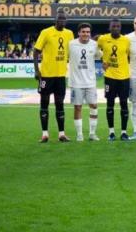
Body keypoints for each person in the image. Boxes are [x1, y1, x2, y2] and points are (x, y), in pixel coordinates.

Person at [34, 11, 74, 143]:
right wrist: (36, 70)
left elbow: (72, 52)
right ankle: (45, 134)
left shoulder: (69, 34)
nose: (62, 21)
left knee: (60, 104)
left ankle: (61, 134)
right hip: (46, 75)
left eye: (64, 19)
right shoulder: (46, 32)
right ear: (55, 20)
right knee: (44, 104)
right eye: (59, 19)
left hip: (61, 75)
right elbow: (36, 51)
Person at [97, 18, 131, 141]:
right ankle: (111, 132)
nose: (116, 28)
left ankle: (123, 132)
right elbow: (94, 49)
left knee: (124, 104)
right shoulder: (103, 39)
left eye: (118, 26)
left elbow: (128, 56)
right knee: (110, 104)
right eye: (113, 26)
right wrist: (102, 60)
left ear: (120, 28)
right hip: (110, 77)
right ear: (109, 27)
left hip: (124, 77)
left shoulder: (126, 40)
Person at [68, 23, 100, 142]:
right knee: (78, 107)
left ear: (90, 33)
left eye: (87, 32)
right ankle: (79, 134)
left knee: (94, 106)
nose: (85, 34)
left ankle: (92, 133)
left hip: (90, 82)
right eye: (83, 32)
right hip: (76, 83)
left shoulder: (94, 45)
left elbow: (100, 56)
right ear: (79, 33)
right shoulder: (71, 44)